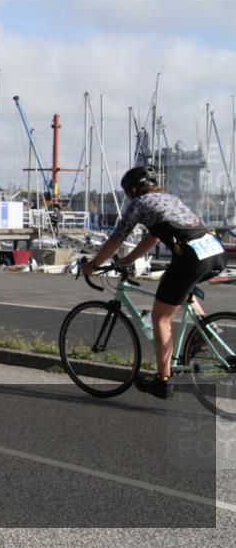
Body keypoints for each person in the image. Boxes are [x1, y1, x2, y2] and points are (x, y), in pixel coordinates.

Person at [81, 165, 225, 399]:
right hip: (214, 252)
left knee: (161, 317)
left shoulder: (139, 204)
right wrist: (127, 260)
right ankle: (207, 329)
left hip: (191, 257)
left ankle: (163, 381)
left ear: (133, 190)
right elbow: (154, 236)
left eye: (128, 191)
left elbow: (117, 238)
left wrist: (94, 264)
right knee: (182, 288)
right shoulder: (168, 198)